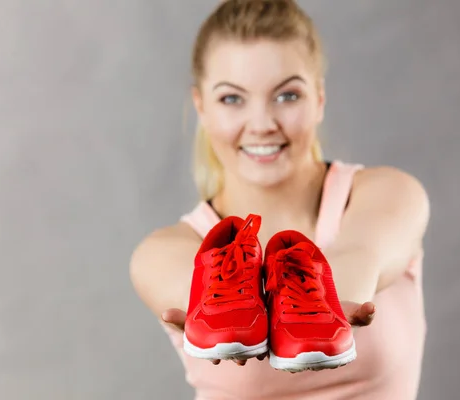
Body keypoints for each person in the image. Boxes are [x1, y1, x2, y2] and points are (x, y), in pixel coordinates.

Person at [130, 0, 430, 398]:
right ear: (201, 106)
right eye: (232, 98)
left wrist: (337, 289)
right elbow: (222, 307)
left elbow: (360, 255)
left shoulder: (386, 195)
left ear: (319, 99)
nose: (262, 124)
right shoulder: (164, 252)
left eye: (287, 96)